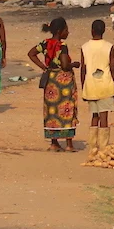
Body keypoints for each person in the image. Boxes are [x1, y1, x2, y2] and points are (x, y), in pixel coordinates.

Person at [29, 17, 80, 151]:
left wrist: (43, 67)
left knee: (52, 110)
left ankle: (54, 143)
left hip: (51, 81)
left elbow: (32, 53)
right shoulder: (62, 46)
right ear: (59, 31)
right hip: (63, 81)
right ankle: (69, 144)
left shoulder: (45, 43)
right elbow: (64, 65)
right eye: (66, 30)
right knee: (67, 109)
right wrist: (74, 64)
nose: (67, 32)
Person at [80, 20, 114, 154]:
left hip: (90, 85)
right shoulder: (109, 46)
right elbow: (113, 67)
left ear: (92, 30)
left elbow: (83, 69)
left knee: (94, 116)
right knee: (104, 117)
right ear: (104, 31)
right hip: (105, 85)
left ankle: (92, 147)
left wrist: (83, 86)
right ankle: (103, 147)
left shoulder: (85, 47)